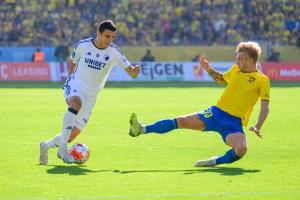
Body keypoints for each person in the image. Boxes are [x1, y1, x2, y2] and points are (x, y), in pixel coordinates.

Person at [129, 41, 270, 167]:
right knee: (181, 121)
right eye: (236, 58)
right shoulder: (236, 69)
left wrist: (258, 125)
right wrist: (208, 68)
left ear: (250, 60)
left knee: (241, 150)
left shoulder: (262, 80)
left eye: (239, 58)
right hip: (216, 113)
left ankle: (214, 162)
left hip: (233, 123)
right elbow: (221, 79)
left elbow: (265, 107)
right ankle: (140, 129)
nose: (236, 61)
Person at [39, 19, 140, 165]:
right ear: (98, 33)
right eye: (107, 36)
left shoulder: (114, 52)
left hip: (92, 95)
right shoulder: (83, 46)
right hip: (76, 85)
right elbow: (73, 62)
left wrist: (135, 71)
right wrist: (69, 81)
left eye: (113, 37)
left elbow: (131, 72)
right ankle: (62, 149)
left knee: (72, 134)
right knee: (75, 104)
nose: (109, 40)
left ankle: (46, 146)